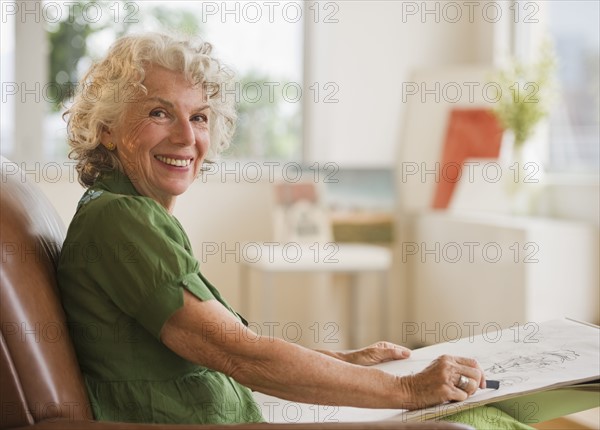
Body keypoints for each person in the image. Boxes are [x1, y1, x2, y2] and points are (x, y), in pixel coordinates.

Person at [57, 32, 532, 428]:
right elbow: (242, 356)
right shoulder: (120, 218)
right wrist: (407, 389)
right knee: (483, 420)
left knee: (489, 413)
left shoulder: (133, 213)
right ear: (108, 128)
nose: (186, 136)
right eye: (160, 112)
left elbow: (227, 349)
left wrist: (344, 360)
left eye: (199, 117)